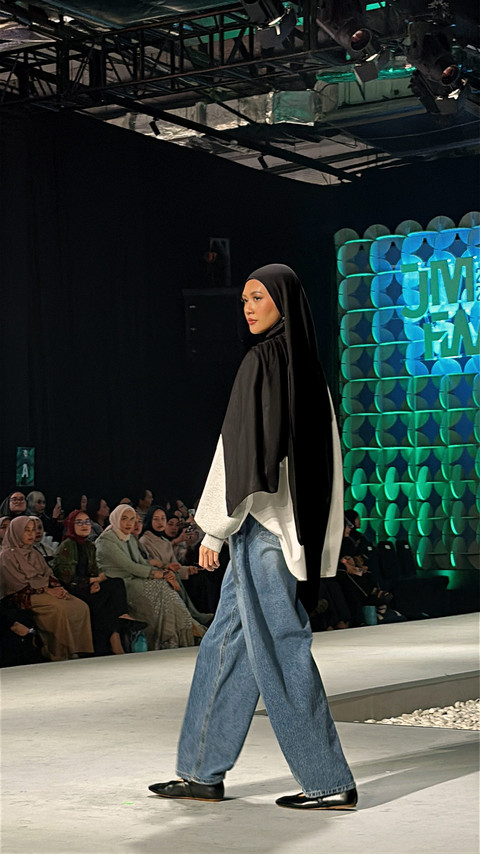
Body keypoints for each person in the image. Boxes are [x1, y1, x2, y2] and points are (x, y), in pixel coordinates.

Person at [149, 263, 357, 810]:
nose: (247, 307)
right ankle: (201, 770)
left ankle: (328, 780)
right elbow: (324, 468)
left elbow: (237, 450)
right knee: (227, 645)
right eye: (243, 298)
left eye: (258, 297)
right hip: (283, 529)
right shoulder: (308, 369)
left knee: (281, 647)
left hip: (259, 528)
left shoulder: (262, 361)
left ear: (283, 302)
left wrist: (214, 528)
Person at [95, 505, 205, 650]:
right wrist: (157, 574)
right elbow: (129, 566)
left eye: (132, 519)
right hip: (120, 583)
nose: (129, 523)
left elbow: (141, 563)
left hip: (135, 578)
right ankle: (173, 635)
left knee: (164, 587)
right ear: (115, 518)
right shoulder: (106, 540)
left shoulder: (128, 538)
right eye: (124, 518)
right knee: (159, 588)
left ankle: (186, 628)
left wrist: (162, 572)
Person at [0, 516, 93, 661]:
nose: (31, 534)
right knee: (59, 609)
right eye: (26, 530)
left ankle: (79, 649)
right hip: (24, 595)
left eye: (33, 530)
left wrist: (58, 588)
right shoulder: (6, 556)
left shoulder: (34, 552)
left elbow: (48, 573)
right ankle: (59, 652)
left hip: (44, 590)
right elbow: (16, 584)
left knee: (80, 606)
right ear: (16, 532)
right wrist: (46, 590)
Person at [52, 510, 145, 655]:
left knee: (116, 583)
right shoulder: (67, 545)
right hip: (73, 590)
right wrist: (93, 581)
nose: (84, 525)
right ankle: (115, 638)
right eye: (79, 522)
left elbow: (94, 571)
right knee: (106, 601)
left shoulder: (89, 546)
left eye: (87, 522)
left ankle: (120, 621)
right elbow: (66, 578)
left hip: (88, 587)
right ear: (71, 525)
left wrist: (95, 582)